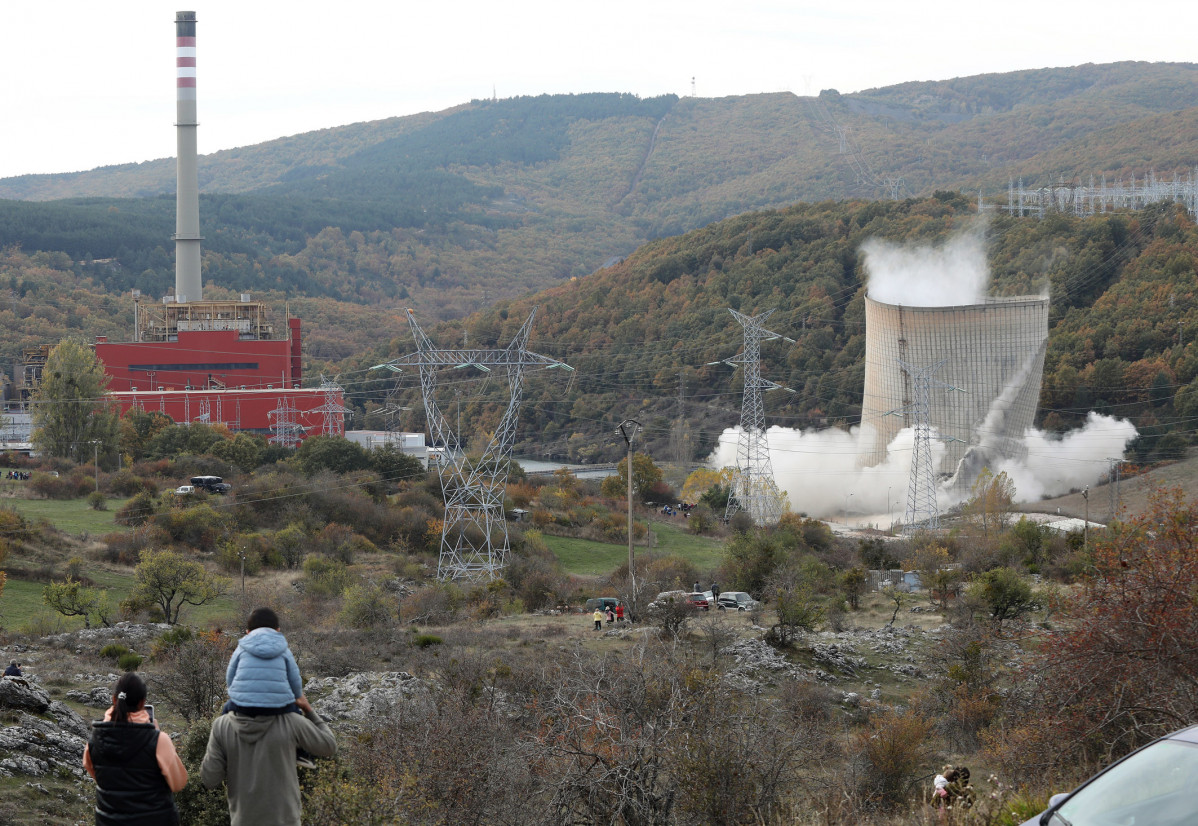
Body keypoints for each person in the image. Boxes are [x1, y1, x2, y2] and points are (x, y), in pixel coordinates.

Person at [201, 694, 336, 826]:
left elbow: (210, 780)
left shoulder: (222, 725)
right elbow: (329, 746)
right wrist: (308, 710)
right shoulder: (291, 721)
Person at [83, 672, 188, 826]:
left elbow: (101, 778)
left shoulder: (94, 740)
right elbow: (179, 783)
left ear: (114, 700)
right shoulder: (158, 740)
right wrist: (157, 734)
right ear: (142, 703)